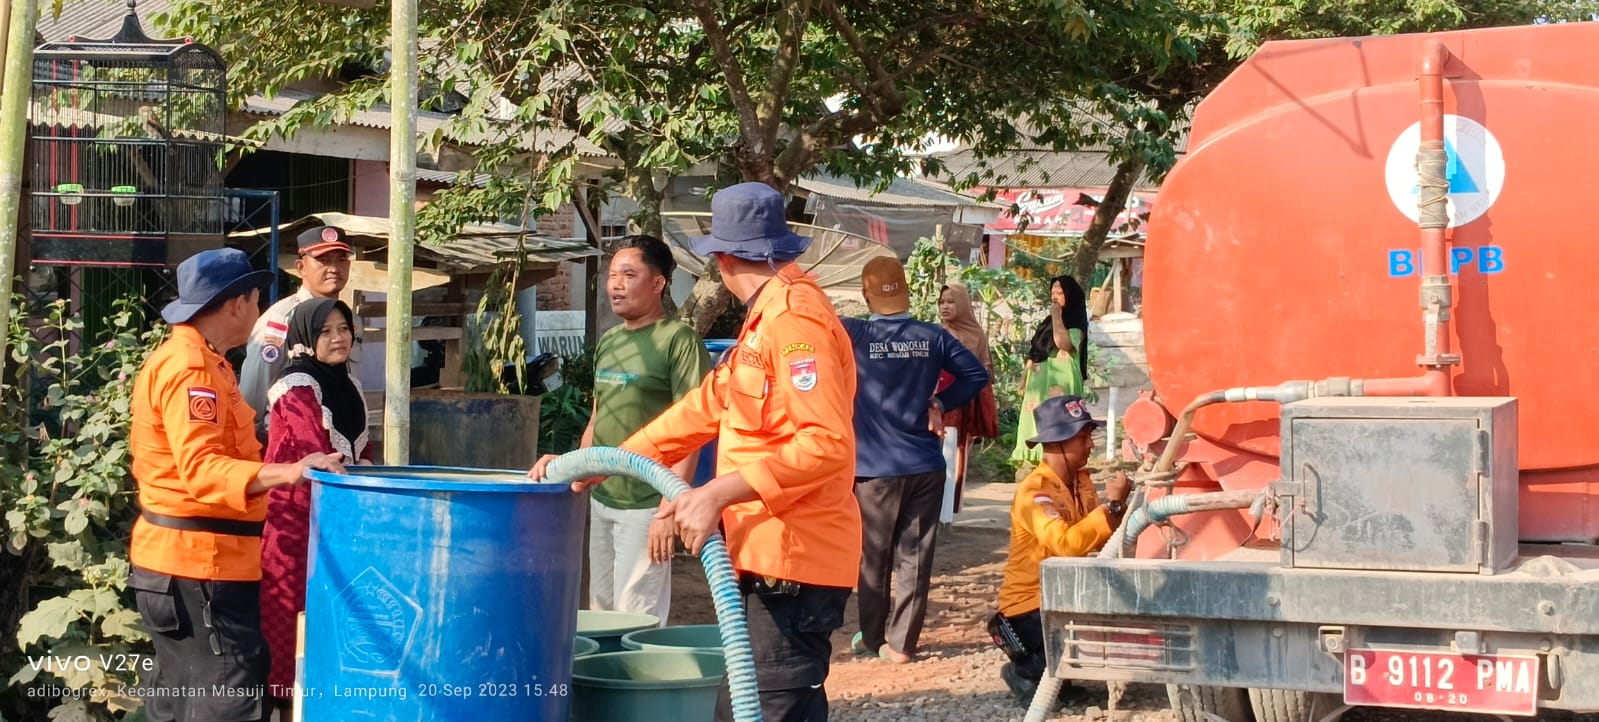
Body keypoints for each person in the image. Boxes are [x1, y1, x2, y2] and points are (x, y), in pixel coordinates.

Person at [531, 182, 861, 722]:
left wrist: (716, 492)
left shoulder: (796, 321)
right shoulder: (762, 323)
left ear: (725, 258)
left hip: (796, 560)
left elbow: (825, 444)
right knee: (769, 706)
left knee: (759, 709)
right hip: (766, 555)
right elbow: (704, 408)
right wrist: (600, 463)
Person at [128, 248, 345, 722]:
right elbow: (204, 469)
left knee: (186, 703)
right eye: (254, 298)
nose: (256, 309)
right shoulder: (191, 371)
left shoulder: (208, 363)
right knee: (225, 701)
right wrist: (287, 471)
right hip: (198, 568)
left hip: (197, 566)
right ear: (235, 304)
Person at [841, 258, 988, 664]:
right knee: (915, 556)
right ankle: (902, 644)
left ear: (865, 294)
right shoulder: (932, 337)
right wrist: (939, 401)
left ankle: (872, 639)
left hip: (874, 469)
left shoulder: (855, 332)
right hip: (925, 462)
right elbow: (976, 376)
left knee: (874, 556)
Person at [577, 234, 710, 623]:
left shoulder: (678, 341)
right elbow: (598, 417)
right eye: (612, 274)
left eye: (629, 274)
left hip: (646, 504)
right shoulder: (610, 340)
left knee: (637, 615)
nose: (616, 283)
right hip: (603, 500)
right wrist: (579, 478)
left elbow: (695, 427)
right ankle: (605, 685)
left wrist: (668, 511)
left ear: (658, 284)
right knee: (601, 612)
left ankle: (636, 683)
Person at [258, 297, 371, 717]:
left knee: (331, 620)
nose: (338, 338)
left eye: (343, 329)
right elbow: (313, 454)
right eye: (325, 331)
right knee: (291, 624)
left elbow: (363, 451)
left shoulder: (349, 384)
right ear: (306, 338)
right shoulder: (296, 385)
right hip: (296, 526)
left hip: (339, 522)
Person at [990, 395, 1129, 704]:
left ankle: (1052, 672)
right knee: (1070, 661)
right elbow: (1066, 544)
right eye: (1083, 437)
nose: (1091, 445)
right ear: (1057, 442)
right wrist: (1114, 506)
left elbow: (1101, 540)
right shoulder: (1034, 492)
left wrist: (1117, 512)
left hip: (1064, 596)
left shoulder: (1081, 482)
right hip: (1028, 607)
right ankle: (1026, 671)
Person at [239, 225, 359, 437]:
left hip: (340, 440)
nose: (334, 268)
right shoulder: (281, 319)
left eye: (341, 259)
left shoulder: (350, 320)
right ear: (301, 267)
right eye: (323, 260)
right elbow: (253, 397)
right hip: (290, 443)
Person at [935, 282, 999, 524]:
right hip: (936, 404)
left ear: (962, 305)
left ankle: (948, 515)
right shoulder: (937, 333)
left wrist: (972, 370)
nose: (945, 307)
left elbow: (988, 372)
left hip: (962, 406)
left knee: (957, 456)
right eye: (942, 302)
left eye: (951, 302)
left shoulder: (977, 335)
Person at [1010, 275, 1089, 467]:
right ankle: (1032, 462)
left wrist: (1056, 316)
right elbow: (1035, 352)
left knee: (1060, 420)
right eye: (1052, 293)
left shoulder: (1076, 321)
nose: (1055, 297)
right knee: (1034, 420)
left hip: (1062, 381)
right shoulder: (1046, 323)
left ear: (1070, 295)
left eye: (1060, 293)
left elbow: (1063, 344)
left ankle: (1061, 462)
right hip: (1038, 383)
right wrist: (1023, 379)